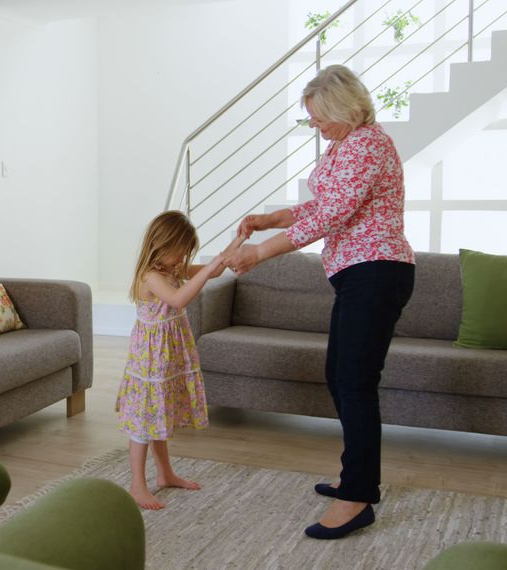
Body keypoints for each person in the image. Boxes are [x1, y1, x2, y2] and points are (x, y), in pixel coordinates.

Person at [220, 64, 415, 539]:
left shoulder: (369, 143)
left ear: (346, 109)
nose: (314, 125)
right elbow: (321, 204)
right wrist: (270, 218)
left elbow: (332, 213)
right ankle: (355, 476)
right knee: (341, 376)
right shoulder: (343, 146)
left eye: (318, 117)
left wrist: (259, 253)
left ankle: (358, 498)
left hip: (377, 271)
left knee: (355, 383)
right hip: (357, 274)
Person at [115, 210, 228, 510]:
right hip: (150, 361)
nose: (183, 260)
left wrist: (227, 256)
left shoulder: (170, 270)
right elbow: (179, 299)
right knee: (144, 422)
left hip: (167, 358)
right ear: (163, 245)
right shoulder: (150, 276)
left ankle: (165, 473)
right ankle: (137, 486)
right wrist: (203, 272)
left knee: (159, 416)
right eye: (180, 253)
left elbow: (211, 272)